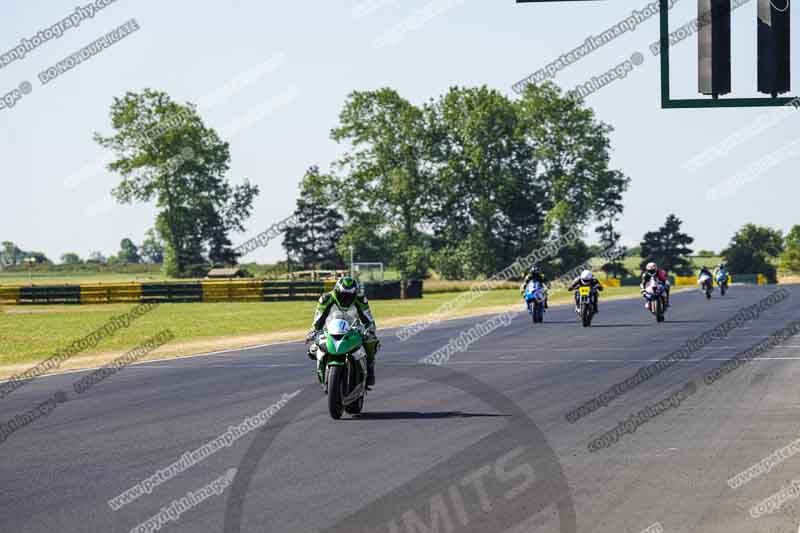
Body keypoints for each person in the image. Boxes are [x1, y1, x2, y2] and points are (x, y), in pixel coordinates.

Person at [305, 276, 379, 387]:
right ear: (337, 291)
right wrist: (313, 331)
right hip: (330, 329)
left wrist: (370, 331)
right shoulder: (326, 299)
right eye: (343, 295)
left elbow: (368, 320)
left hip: (352, 329)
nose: (346, 299)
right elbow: (318, 319)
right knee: (313, 350)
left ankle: (370, 370)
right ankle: (322, 372)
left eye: (349, 296)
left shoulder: (360, 299)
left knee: (371, 342)